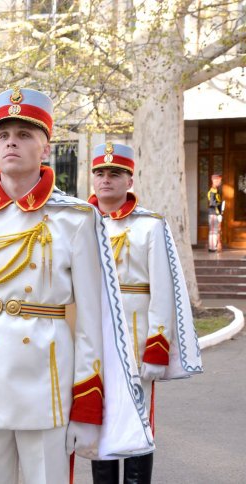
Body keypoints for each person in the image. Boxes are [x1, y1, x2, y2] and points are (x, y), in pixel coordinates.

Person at [0, 88, 153, 484]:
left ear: (45, 148)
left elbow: (93, 324)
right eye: (3, 134)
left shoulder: (75, 219)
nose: (11, 141)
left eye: (25, 134)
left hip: (47, 383)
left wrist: (88, 409)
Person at [88, 142, 202, 484]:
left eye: (115, 174)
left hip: (135, 342)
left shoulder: (149, 225)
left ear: (129, 180)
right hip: (93, 341)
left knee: (137, 421)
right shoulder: (79, 221)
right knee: (98, 420)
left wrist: (157, 345)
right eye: (100, 173)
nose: (106, 180)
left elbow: (163, 291)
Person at [207, 173, 224, 252]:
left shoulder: (216, 190)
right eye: (219, 180)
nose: (220, 182)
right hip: (213, 213)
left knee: (215, 231)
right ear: (215, 180)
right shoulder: (213, 190)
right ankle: (212, 248)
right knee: (213, 231)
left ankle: (214, 246)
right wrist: (218, 214)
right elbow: (213, 203)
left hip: (215, 213)